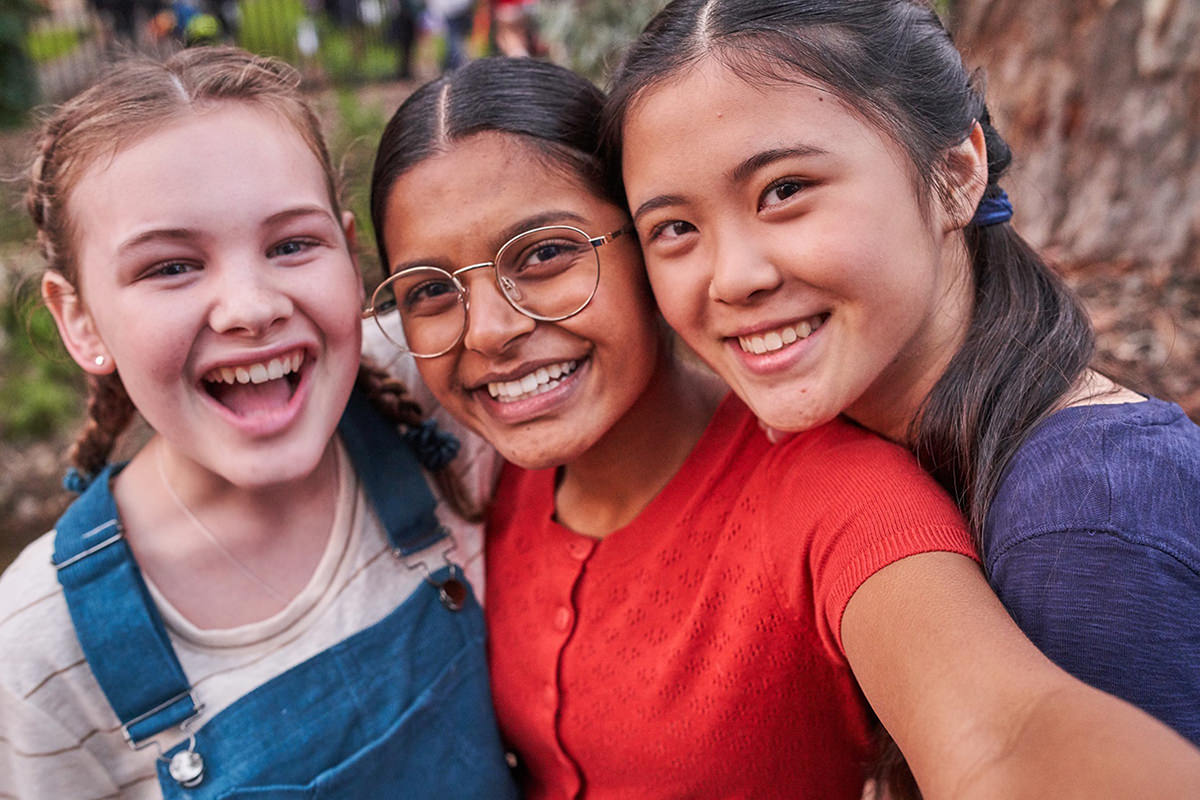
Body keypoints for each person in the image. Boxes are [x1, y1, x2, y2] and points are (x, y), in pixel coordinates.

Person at [365, 55, 1200, 799]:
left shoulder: (837, 494)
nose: (487, 332)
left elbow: (1004, 735)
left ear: (650, 249)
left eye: (544, 253)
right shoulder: (488, 483)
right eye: (430, 290)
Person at [604, 0, 1200, 787]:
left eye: (784, 190)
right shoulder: (895, 450)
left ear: (955, 174)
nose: (735, 277)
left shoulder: (1078, 526)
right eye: (675, 228)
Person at [0, 46, 517, 799]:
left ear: (349, 251)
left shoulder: (441, 385)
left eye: (292, 245)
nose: (251, 306)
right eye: (171, 266)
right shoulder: (39, 648)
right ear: (79, 321)